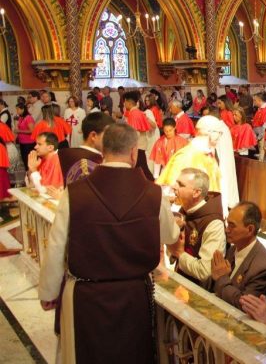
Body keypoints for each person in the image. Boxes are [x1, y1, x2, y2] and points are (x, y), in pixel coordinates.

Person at [38, 123, 180, 364]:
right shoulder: (154, 193)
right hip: (134, 295)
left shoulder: (75, 193)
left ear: (102, 150)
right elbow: (170, 236)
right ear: (134, 152)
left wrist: (49, 293)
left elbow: (56, 247)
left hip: (86, 296)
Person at [168, 168, 225, 288]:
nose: (173, 187)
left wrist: (179, 253)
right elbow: (172, 252)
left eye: (180, 184)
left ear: (196, 193)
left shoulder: (214, 224)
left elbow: (205, 272)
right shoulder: (185, 210)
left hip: (201, 290)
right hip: (180, 282)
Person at [211, 201, 266, 309]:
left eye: (232, 226)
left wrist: (221, 278)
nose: (226, 230)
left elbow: (244, 305)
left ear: (250, 229)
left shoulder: (263, 266)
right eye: (227, 224)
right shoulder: (233, 248)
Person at [58, 112, 114, 184]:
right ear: (93, 136)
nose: (112, 139)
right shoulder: (97, 163)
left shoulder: (60, 154)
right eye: (109, 135)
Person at [122, 91, 153, 180]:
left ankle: (153, 184)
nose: (124, 104)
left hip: (137, 146)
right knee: (140, 169)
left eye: (124, 102)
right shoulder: (136, 112)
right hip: (139, 145)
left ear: (128, 102)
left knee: (142, 169)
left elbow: (135, 133)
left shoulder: (134, 113)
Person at [15, 103, 36, 168]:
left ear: (23, 109)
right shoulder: (21, 117)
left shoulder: (28, 118)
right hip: (22, 142)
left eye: (18, 109)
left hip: (29, 143)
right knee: (24, 160)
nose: (17, 111)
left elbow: (32, 131)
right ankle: (27, 172)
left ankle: (30, 172)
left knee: (28, 161)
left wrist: (19, 131)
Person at [252, 93, 266, 161]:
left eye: (255, 100)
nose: (254, 102)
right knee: (260, 150)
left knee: (262, 151)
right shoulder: (260, 108)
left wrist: (259, 137)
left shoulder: (265, 109)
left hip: (261, 135)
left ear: (259, 100)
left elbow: (264, 125)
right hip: (257, 133)